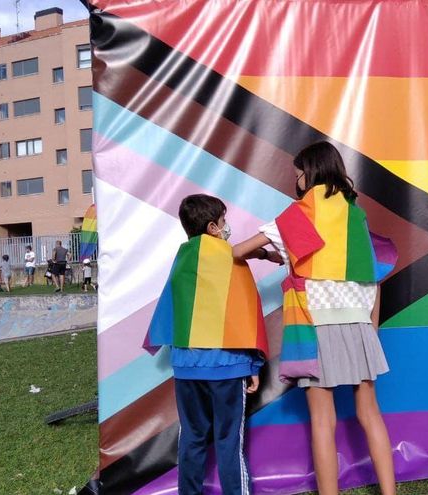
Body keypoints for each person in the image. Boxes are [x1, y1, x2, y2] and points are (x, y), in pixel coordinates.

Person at [233, 142, 396, 495]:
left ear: (311, 172)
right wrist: (373, 329)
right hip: (360, 325)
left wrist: (265, 252)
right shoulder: (356, 214)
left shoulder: (299, 214)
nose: (298, 182)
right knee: (370, 413)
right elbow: (374, 276)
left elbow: (238, 251)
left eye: (299, 175)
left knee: (323, 420)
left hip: (315, 326)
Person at [147, 194, 272, 495]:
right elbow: (245, 313)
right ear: (214, 228)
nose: (228, 228)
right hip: (228, 368)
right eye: (225, 222)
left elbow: (172, 310)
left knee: (191, 437)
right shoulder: (230, 258)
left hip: (187, 368)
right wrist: (253, 364)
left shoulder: (182, 259)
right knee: (230, 441)